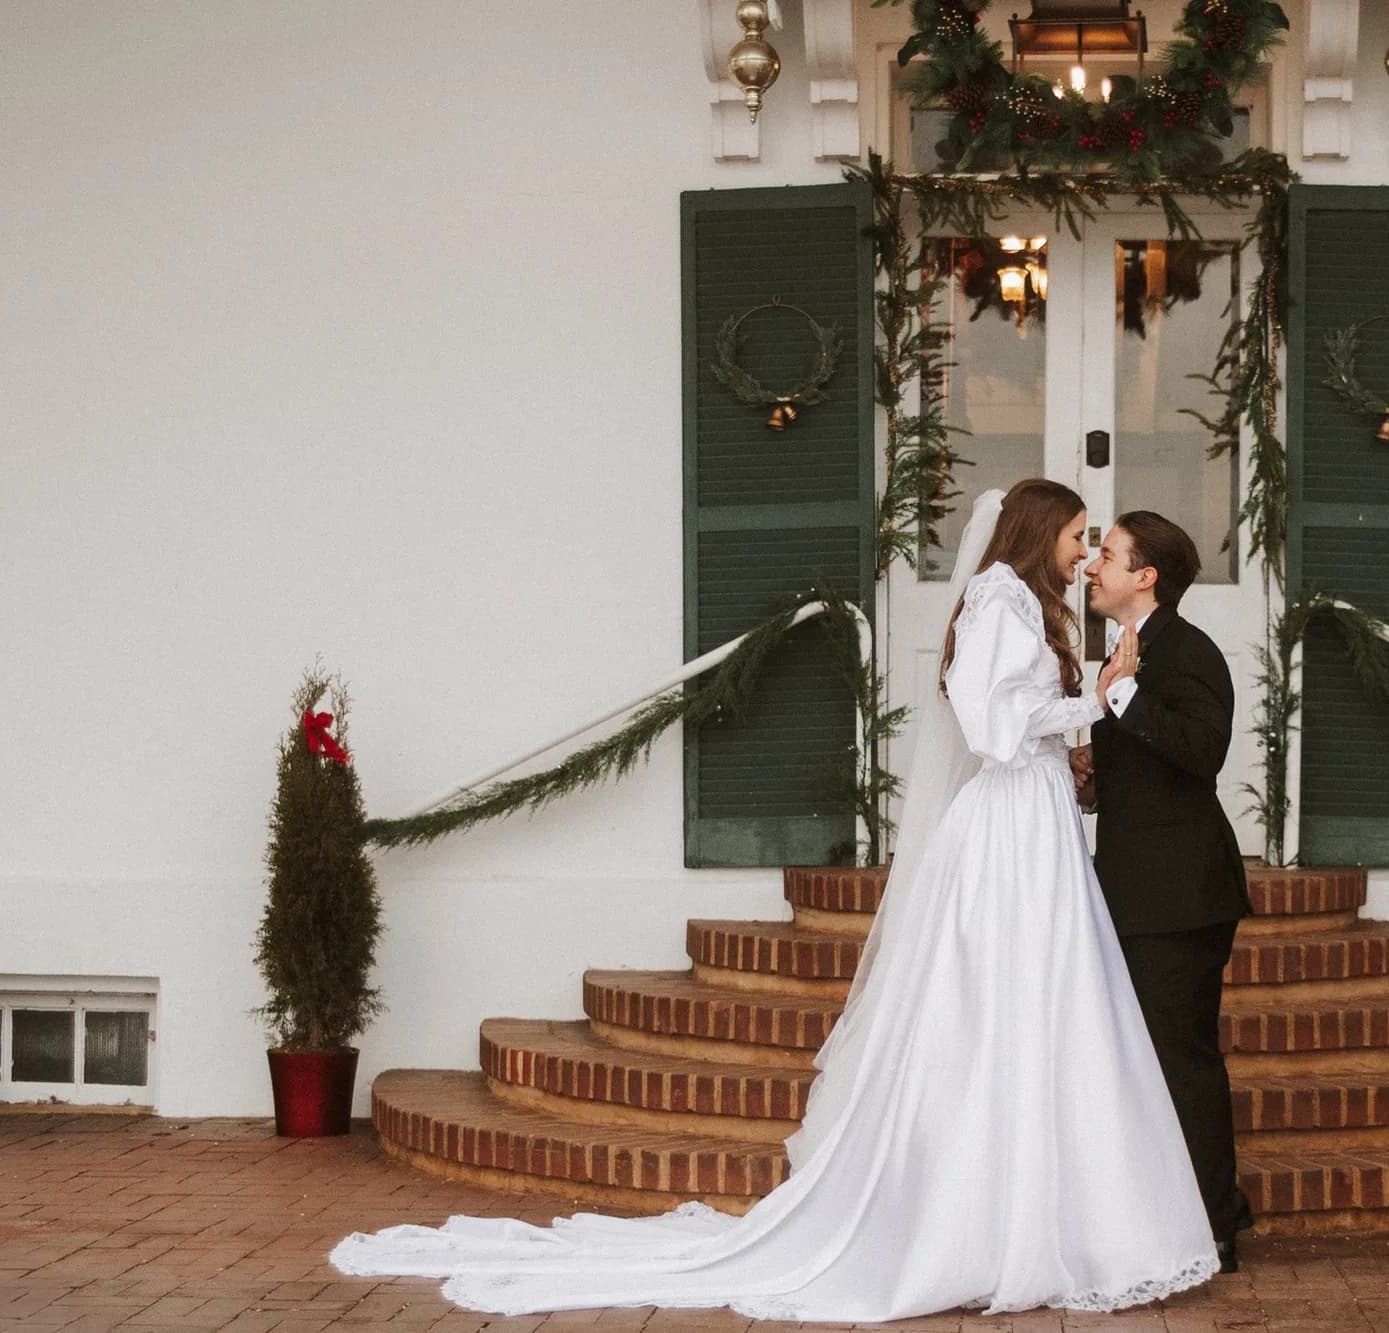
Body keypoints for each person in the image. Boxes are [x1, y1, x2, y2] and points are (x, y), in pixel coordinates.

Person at [330, 480, 1218, 1319]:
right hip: (1006, 833)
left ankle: (1049, 1215)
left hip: (1040, 828)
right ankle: (972, 1225)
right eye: (1075, 536)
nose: (1083, 551)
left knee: (1047, 1008)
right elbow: (991, 731)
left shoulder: (1032, 606)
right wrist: (1088, 706)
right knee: (989, 1005)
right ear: (1038, 532)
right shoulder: (996, 598)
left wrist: (1079, 726)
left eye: (1093, 544)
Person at [1073, 511, 1254, 1272]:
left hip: (1181, 895)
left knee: (1183, 1058)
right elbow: (1142, 769)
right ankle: (1176, 1209)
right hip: (1138, 889)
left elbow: (1202, 750)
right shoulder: (1125, 650)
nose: (1092, 567)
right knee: (1150, 1058)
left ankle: (1217, 1224)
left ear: (1145, 576)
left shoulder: (1188, 650)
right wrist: (1088, 778)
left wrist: (1119, 702)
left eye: (1108, 556)